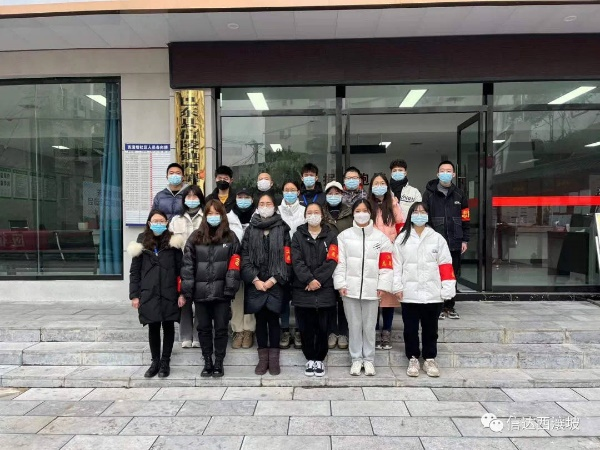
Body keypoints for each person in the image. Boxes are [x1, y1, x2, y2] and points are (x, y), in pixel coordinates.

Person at [392, 202, 456, 378]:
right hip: (409, 294)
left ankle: (429, 358)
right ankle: (413, 358)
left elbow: (445, 265)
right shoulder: (402, 239)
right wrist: (397, 286)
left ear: (428, 215)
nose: (419, 214)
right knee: (410, 330)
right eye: (416, 211)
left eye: (423, 211)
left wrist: (447, 289)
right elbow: (396, 266)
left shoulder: (437, 238)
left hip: (432, 294)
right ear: (410, 215)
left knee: (430, 330)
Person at [181, 200, 241, 378]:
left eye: (217, 214)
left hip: (222, 292)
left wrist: (230, 288)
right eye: (210, 214)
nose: (213, 217)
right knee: (204, 328)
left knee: (221, 328)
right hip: (200, 293)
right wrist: (188, 290)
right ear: (205, 216)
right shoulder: (195, 237)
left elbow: (235, 265)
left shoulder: (230, 237)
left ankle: (219, 362)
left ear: (222, 216)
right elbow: (187, 265)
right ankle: (207, 361)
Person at [333, 199, 394, 376]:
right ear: (353, 213)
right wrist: (340, 283)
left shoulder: (381, 238)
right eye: (358, 211)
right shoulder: (343, 237)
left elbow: (386, 266)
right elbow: (339, 263)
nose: (361, 214)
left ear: (370, 213)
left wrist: (382, 285)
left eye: (365, 210)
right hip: (349, 290)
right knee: (354, 326)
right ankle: (355, 359)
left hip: (372, 290)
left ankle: (368, 360)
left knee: (369, 326)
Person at [128, 209, 185, 379]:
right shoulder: (141, 243)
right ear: (149, 223)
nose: (158, 224)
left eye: (161, 221)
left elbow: (182, 271)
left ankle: (165, 362)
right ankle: (155, 362)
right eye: (155, 221)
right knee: (153, 327)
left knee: (168, 326)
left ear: (167, 223)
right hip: (149, 293)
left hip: (169, 292)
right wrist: (134, 295)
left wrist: (182, 293)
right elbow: (135, 272)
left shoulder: (174, 243)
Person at [241, 193, 292, 376]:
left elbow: (287, 257)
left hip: (276, 282)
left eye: (268, 203)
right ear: (257, 207)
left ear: (274, 206)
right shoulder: (250, 229)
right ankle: (263, 360)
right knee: (260, 321)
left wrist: (272, 280)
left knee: (274, 320)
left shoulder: (283, 228)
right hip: (256, 283)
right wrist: (255, 280)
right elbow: (244, 256)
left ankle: (274, 359)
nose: (264, 206)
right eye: (261, 203)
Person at [291, 203, 338, 377]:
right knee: (306, 327)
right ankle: (310, 358)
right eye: (309, 212)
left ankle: (320, 359)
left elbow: (332, 260)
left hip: (325, 289)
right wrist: (309, 279)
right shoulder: (298, 236)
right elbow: (296, 261)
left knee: (323, 327)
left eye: (316, 212)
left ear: (322, 215)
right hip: (303, 289)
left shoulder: (331, 236)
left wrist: (317, 280)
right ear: (305, 216)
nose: (313, 215)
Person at [422, 160, 469, 320]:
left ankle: (450, 306)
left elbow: (465, 218)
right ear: (437, 174)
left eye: (449, 171)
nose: (445, 173)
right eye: (442, 171)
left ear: (453, 174)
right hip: (435, 242)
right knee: (436, 274)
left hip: (455, 241)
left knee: (452, 274)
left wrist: (465, 240)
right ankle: (439, 306)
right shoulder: (429, 194)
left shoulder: (460, 194)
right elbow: (424, 218)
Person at [368, 173, 404, 351]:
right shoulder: (367, 205)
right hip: (372, 254)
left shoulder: (394, 204)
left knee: (388, 296)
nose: (379, 186)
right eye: (376, 183)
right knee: (374, 294)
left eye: (382, 183)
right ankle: (374, 330)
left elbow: (401, 228)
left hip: (389, 254)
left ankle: (387, 331)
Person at [168, 185, 205, 349]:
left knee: (201, 301)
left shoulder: (206, 218)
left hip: (202, 264)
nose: (191, 199)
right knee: (184, 299)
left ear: (200, 198)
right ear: (183, 200)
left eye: (194, 196)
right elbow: (169, 242)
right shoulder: (176, 220)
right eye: (188, 197)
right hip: (182, 264)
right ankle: (185, 335)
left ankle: (198, 335)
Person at [322, 181, 352, 350]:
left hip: (346, 261)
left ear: (342, 195)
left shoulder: (350, 213)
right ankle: (331, 331)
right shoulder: (321, 213)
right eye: (330, 193)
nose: (333, 196)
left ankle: (343, 332)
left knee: (343, 298)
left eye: (337, 193)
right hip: (326, 261)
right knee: (329, 299)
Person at [278, 180, 306, 350]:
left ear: (298, 192)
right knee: (283, 296)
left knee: (299, 297)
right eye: (286, 189)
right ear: (282, 192)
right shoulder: (276, 211)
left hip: (301, 259)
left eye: (292, 190)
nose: (289, 192)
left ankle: (299, 330)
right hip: (281, 260)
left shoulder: (304, 211)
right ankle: (284, 329)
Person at [230, 187, 257, 350]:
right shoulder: (228, 217)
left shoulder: (258, 216)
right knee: (237, 296)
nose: (243, 200)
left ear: (252, 199)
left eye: (246, 197)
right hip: (234, 262)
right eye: (240, 197)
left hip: (253, 263)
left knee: (251, 295)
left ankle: (249, 330)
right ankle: (237, 330)